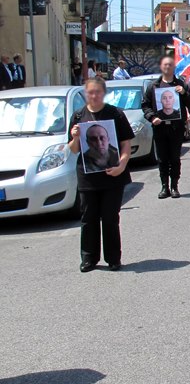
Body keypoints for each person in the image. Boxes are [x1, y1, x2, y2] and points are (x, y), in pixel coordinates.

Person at [68, 77, 134, 272]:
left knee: (110, 217)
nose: (94, 95)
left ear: (103, 93)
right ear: (85, 94)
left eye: (97, 92)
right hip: (88, 177)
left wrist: (122, 164)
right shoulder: (79, 116)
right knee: (88, 217)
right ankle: (89, 258)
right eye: (90, 92)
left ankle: (113, 258)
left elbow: (125, 144)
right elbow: (73, 149)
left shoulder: (115, 114)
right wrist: (75, 138)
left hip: (113, 175)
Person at [141, 55, 190, 199]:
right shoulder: (153, 86)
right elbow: (145, 105)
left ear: (174, 67)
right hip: (160, 127)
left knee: (175, 158)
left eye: (170, 65)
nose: (168, 67)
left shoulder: (180, 84)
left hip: (176, 127)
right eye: (165, 65)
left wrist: (184, 93)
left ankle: (174, 186)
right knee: (162, 158)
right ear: (161, 67)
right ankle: (164, 187)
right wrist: (152, 117)